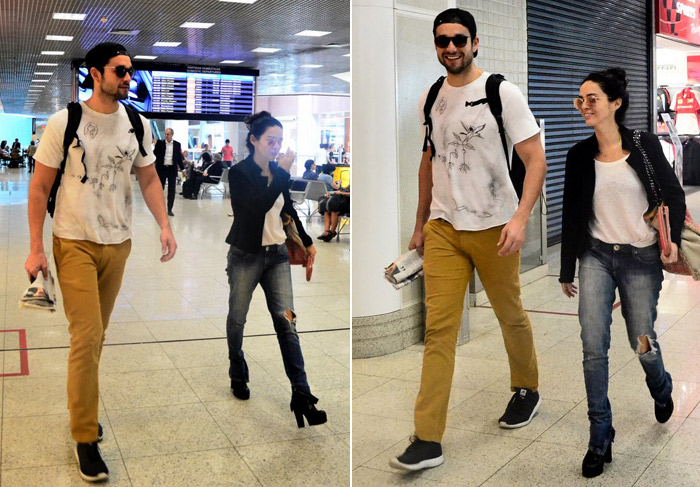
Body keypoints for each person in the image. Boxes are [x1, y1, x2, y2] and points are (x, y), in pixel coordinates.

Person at [390, 8, 547, 471]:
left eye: (459, 39)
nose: (451, 48)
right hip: (444, 230)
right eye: (442, 41)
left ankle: (527, 387)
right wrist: (420, 224)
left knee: (510, 313)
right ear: (436, 46)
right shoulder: (431, 97)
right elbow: (428, 162)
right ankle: (427, 437)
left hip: (496, 227)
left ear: (475, 42)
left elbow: (535, 160)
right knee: (440, 331)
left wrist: (520, 218)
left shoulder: (501, 92)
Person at [24, 42, 177, 483]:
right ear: (95, 73)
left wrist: (164, 226)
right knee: (86, 335)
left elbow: (148, 177)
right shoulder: (64, 122)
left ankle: (85, 409)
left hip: (119, 242)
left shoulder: (137, 123)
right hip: (73, 241)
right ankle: (85, 436)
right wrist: (36, 248)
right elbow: (39, 189)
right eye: (120, 70)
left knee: (98, 336)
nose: (128, 77)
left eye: (131, 71)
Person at [559, 68, 683, 478]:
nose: (584, 106)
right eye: (580, 99)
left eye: (592, 98)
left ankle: (660, 383)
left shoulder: (645, 145)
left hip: (642, 259)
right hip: (596, 255)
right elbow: (572, 213)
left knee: (641, 340)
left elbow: (673, 194)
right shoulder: (579, 155)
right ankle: (600, 434)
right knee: (593, 346)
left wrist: (675, 239)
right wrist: (566, 270)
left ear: (615, 103)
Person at [224, 110, 327, 428]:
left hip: (278, 257)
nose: (276, 146)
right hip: (245, 256)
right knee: (237, 319)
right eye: (271, 140)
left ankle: (302, 392)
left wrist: (307, 240)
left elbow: (287, 208)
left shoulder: (278, 173)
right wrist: (281, 173)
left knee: (288, 323)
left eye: (280, 141)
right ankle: (237, 371)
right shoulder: (239, 173)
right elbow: (254, 208)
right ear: (254, 140)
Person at [154, 128, 185, 216]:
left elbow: (179, 158)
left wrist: (183, 169)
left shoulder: (177, 144)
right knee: (160, 189)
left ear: (172, 135)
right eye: (165, 134)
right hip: (161, 169)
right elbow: (154, 154)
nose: (166, 136)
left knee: (172, 190)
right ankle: (159, 209)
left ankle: (170, 209)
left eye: (168, 134)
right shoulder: (160, 143)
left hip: (171, 169)